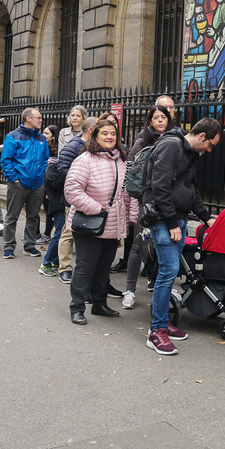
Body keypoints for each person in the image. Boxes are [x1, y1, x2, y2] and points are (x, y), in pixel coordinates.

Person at [143, 117, 220, 355]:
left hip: (178, 218)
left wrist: (206, 217)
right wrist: (171, 222)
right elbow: (160, 186)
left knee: (169, 271)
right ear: (202, 136)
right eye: (210, 145)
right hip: (165, 219)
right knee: (168, 271)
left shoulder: (189, 153)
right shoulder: (171, 146)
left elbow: (190, 190)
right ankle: (156, 331)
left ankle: (162, 321)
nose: (209, 150)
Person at [64, 117, 138, 325]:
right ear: (95, 136)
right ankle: (77, 307)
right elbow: (72, 191)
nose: (110, 137)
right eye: (105, 133)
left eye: (113, 134)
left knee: (104, 267)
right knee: (86, 267)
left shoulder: (121, 161)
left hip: (113, 224)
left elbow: (129, 192)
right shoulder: (84, 160)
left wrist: (131, 216)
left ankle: (99, 303)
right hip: (89, 223)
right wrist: (97, 208)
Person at [119, 104, 172, 309]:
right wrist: (134, 195)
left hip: (168, 201)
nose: (160, 121)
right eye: (156, 118)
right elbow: (130, 168)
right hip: (147, 201)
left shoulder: (175, 139)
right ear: (150, 121)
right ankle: (130, 290)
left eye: (163, 117)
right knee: (139, 244)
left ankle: (159, 286)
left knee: (164, 246)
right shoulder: (142, 142)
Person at [0, 107, 48, 259]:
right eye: (38, 117)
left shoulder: (42, 138)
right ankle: (9, 247)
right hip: (18, 183)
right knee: (12, 216)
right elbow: (5, 160)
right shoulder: (13, 136)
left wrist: (42, 176)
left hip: (37, 183)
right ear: (28, 119)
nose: (40, 120)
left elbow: (46, 159)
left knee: (33, 217)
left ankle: (29, 245)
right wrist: (14, 178)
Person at [55, 116, 98, 284]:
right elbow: (61, 171)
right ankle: (64, 268)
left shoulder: (97, 147)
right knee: (68, 233)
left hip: (92, 199)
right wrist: (83, 178)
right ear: (91, 130)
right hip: (74, 199)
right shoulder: (73, 146)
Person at [39, 127, 66, 277]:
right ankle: (46, 263)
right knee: (60, 232)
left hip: (61, 201)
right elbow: (51, 181)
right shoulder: (54, 163)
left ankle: (55, 260)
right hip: (58, 203)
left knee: (62, 232)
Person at [38, 125, 60, 244]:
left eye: (47, 133)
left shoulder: (56, 151)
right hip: (40, 181)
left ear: (54, 137)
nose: (43, 135)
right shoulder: (42, 146)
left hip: (49, 183)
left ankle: (47, 235)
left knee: (49, 210)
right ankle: (37, 234)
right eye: (43, 132)